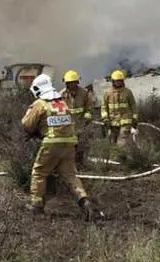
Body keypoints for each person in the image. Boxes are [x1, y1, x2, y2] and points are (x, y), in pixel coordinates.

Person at [21, 73, 101, 220]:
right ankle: (85, 201)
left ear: (38, 89)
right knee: (70, 175)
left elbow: (27, 124)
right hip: (70, 143)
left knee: (39, 172)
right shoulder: (63, 102)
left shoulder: (41, 104)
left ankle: (36, 205)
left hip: (51, 144)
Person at [60, 70, 97, 164]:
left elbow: (89, 107)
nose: (72, 85)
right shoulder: (61, 95)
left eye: (73, 82)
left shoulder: (84, 93)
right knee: (68, 146)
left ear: (77, 82)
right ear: (66, 83)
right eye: (69, 83)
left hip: (81, 123)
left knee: (81, 145)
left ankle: (80, 163)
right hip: (67, 125)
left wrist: (86, 118)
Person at [100, 70, 139, 145]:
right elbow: (104, 107)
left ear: (122, 81)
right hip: (112, 122)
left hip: (125, 122)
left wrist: (134, 119)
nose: (118, 82)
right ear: (113, 81)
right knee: (112, 143)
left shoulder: (128, 92)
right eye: (116, 81)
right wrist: (105, 118)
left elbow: (133, 106)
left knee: (122, 143)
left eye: (120, 81)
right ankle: (116, 156)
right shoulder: (107, 93)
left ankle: (120, 155)